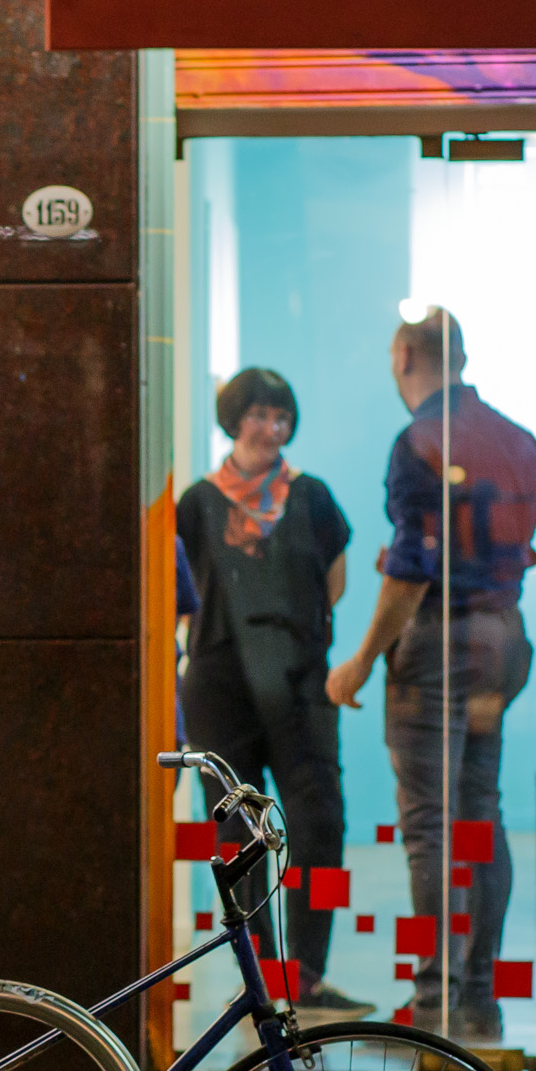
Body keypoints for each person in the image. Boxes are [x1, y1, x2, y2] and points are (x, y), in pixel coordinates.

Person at [327, 308, 536, 1045]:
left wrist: (360, 658)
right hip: (504, 637)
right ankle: (478, 999)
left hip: (440, 643)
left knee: (432, 826)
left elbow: (413, 566)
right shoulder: (519, 440)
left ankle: (436, 1004)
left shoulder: (418, 439)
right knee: (481, 811)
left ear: (403, 352)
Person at [177, 367, 359, 1016]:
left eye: (280, 416)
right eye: (257, 414)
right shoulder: (197, 501)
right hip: (219, 683)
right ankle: (258, 972)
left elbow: (335, 576)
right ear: (233, 419)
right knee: (236, 832)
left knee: (321, 822)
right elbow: (178, 592)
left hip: (302, 678)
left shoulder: (312, 496)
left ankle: (306, 972)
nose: (270, 427)